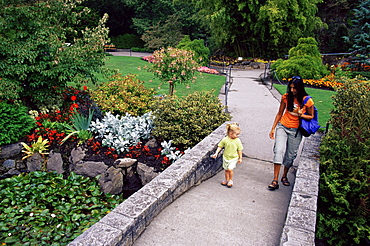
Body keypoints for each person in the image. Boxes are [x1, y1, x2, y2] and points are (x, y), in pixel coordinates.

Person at [268, 76, 315, 190]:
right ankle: (275, 180)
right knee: (278, 151)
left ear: (300, 88)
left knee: (290, 155)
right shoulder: (286, 97)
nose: (293, 90)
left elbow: (311, 116)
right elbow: (280, 113)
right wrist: (273, 128)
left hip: (296, 130)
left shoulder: (307, 101)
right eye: (291, 88)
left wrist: (300, 114)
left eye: (295, 88)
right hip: (283, 127)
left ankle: (284, 176)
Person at [211, 123, 243, 188]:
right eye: (236, 134)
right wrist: (216, 153)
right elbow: (220, 146)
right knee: (226, 169)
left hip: (233, 157)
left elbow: (239, 149)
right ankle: (227, 180)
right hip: (226, 157)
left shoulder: (237, 141)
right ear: (231, 133)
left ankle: (230, 180)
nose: (238, 136)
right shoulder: (225, 139)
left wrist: (240, 158)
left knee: (230, 169)